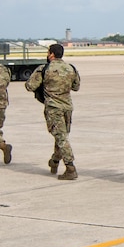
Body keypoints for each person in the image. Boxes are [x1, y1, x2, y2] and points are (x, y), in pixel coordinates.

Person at [28, 43, 79, 180]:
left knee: (61, 138)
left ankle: (70, 168)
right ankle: (55, 161)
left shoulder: (44, 69)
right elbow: (76, 86)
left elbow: (30, 86)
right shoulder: (70, 68)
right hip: (67, 107)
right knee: (61, 136)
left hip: (53, 108)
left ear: (51, 54)